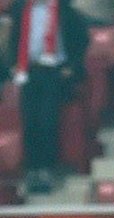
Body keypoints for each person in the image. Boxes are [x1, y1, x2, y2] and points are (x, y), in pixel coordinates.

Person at [4, 0, 85, 193]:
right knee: (30, 121)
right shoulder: (21, 8)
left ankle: (46, 169)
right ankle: (32, 169)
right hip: (28, 71)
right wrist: (13, 64)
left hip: (53, 72)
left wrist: (71, 66)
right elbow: (14, 38)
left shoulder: (65, 10)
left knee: (47, 120)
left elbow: (82, 39)